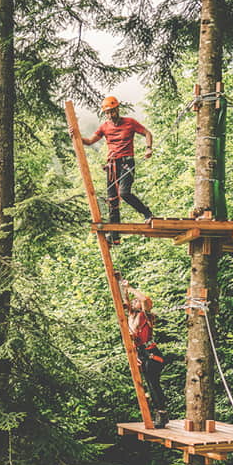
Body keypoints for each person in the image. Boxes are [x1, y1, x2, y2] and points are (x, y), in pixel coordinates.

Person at [81, 96, 155, 245]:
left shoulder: (130, 123)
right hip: (112, 165)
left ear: (117, 109)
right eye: (107, 113)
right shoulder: (104, 127)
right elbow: (89, 141)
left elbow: (147, 133)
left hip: (127, 162)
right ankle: (115, 236)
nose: (110, 115)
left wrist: (148, 148)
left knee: (124, 192)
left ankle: (147, 213)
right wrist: (76, 135)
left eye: (112, 111)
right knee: (112, 200)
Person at [117, 272, 176, 427]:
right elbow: (124, 301)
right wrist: (122, 285)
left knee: (154, 384)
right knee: (150, 386)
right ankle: (159, 413)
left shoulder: (145, 315)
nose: (135, 301)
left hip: (151, 354)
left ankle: (162, 414)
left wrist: (130, 288)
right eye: (134, 301)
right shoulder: (131, 315)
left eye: (136, 301)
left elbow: (144, 299)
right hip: (142, 354)